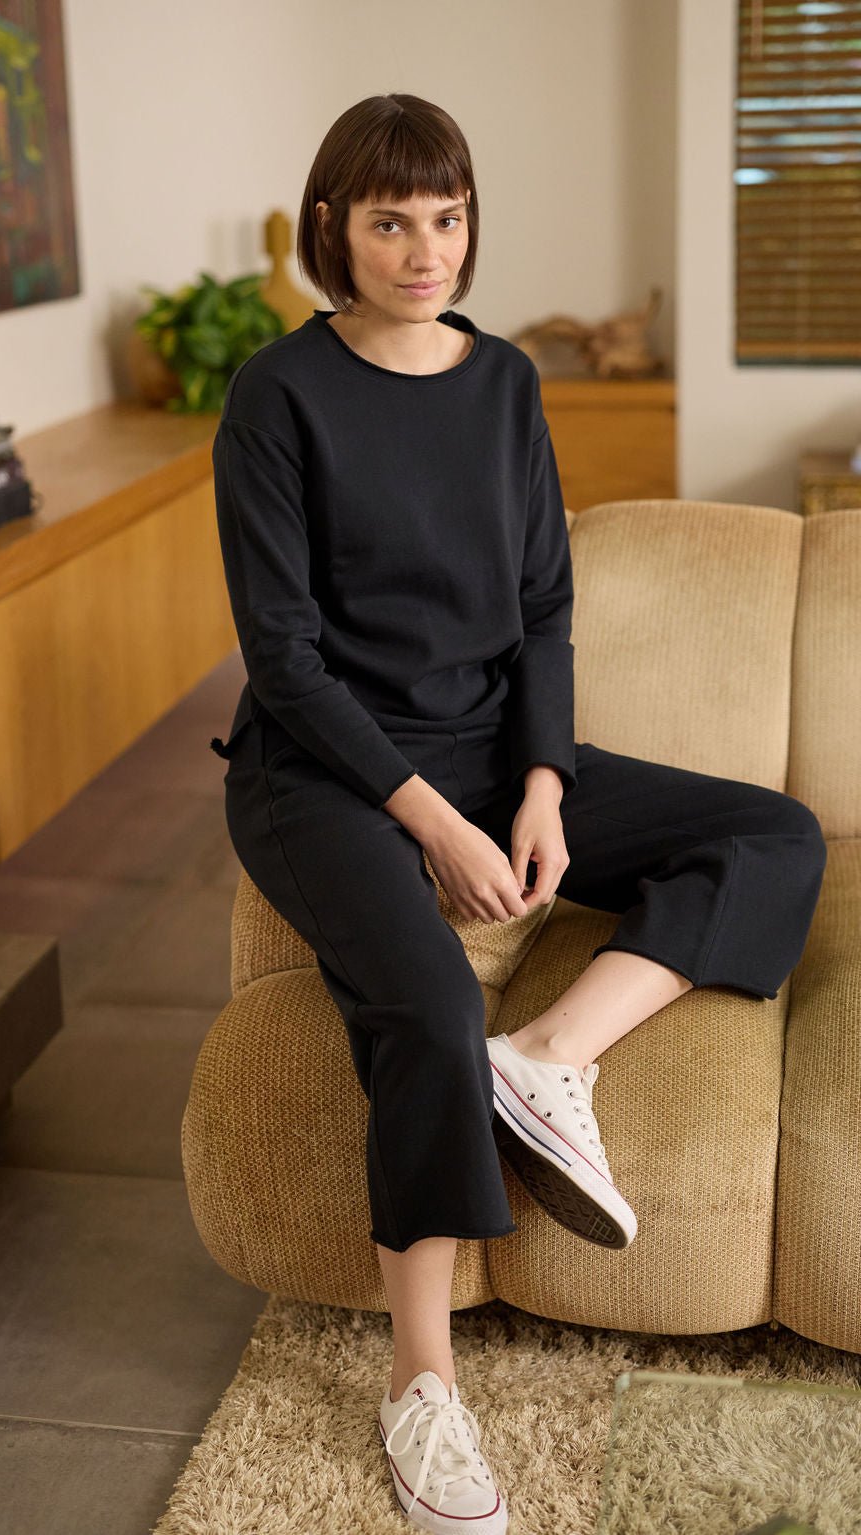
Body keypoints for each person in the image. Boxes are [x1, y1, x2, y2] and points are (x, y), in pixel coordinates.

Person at [207, 93, 828, 1535]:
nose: (425, 249)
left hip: (496, 750)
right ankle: (423, 1386)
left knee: (774, 832)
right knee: (422, 1000)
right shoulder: (277, 397)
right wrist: (434, 821)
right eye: (389, 221)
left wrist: (542, 783)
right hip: (324, 771)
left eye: (447, 217)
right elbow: (284, 657)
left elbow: (547, 605)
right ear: (331, 234)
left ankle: (549, 1058)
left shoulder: (502, 384)